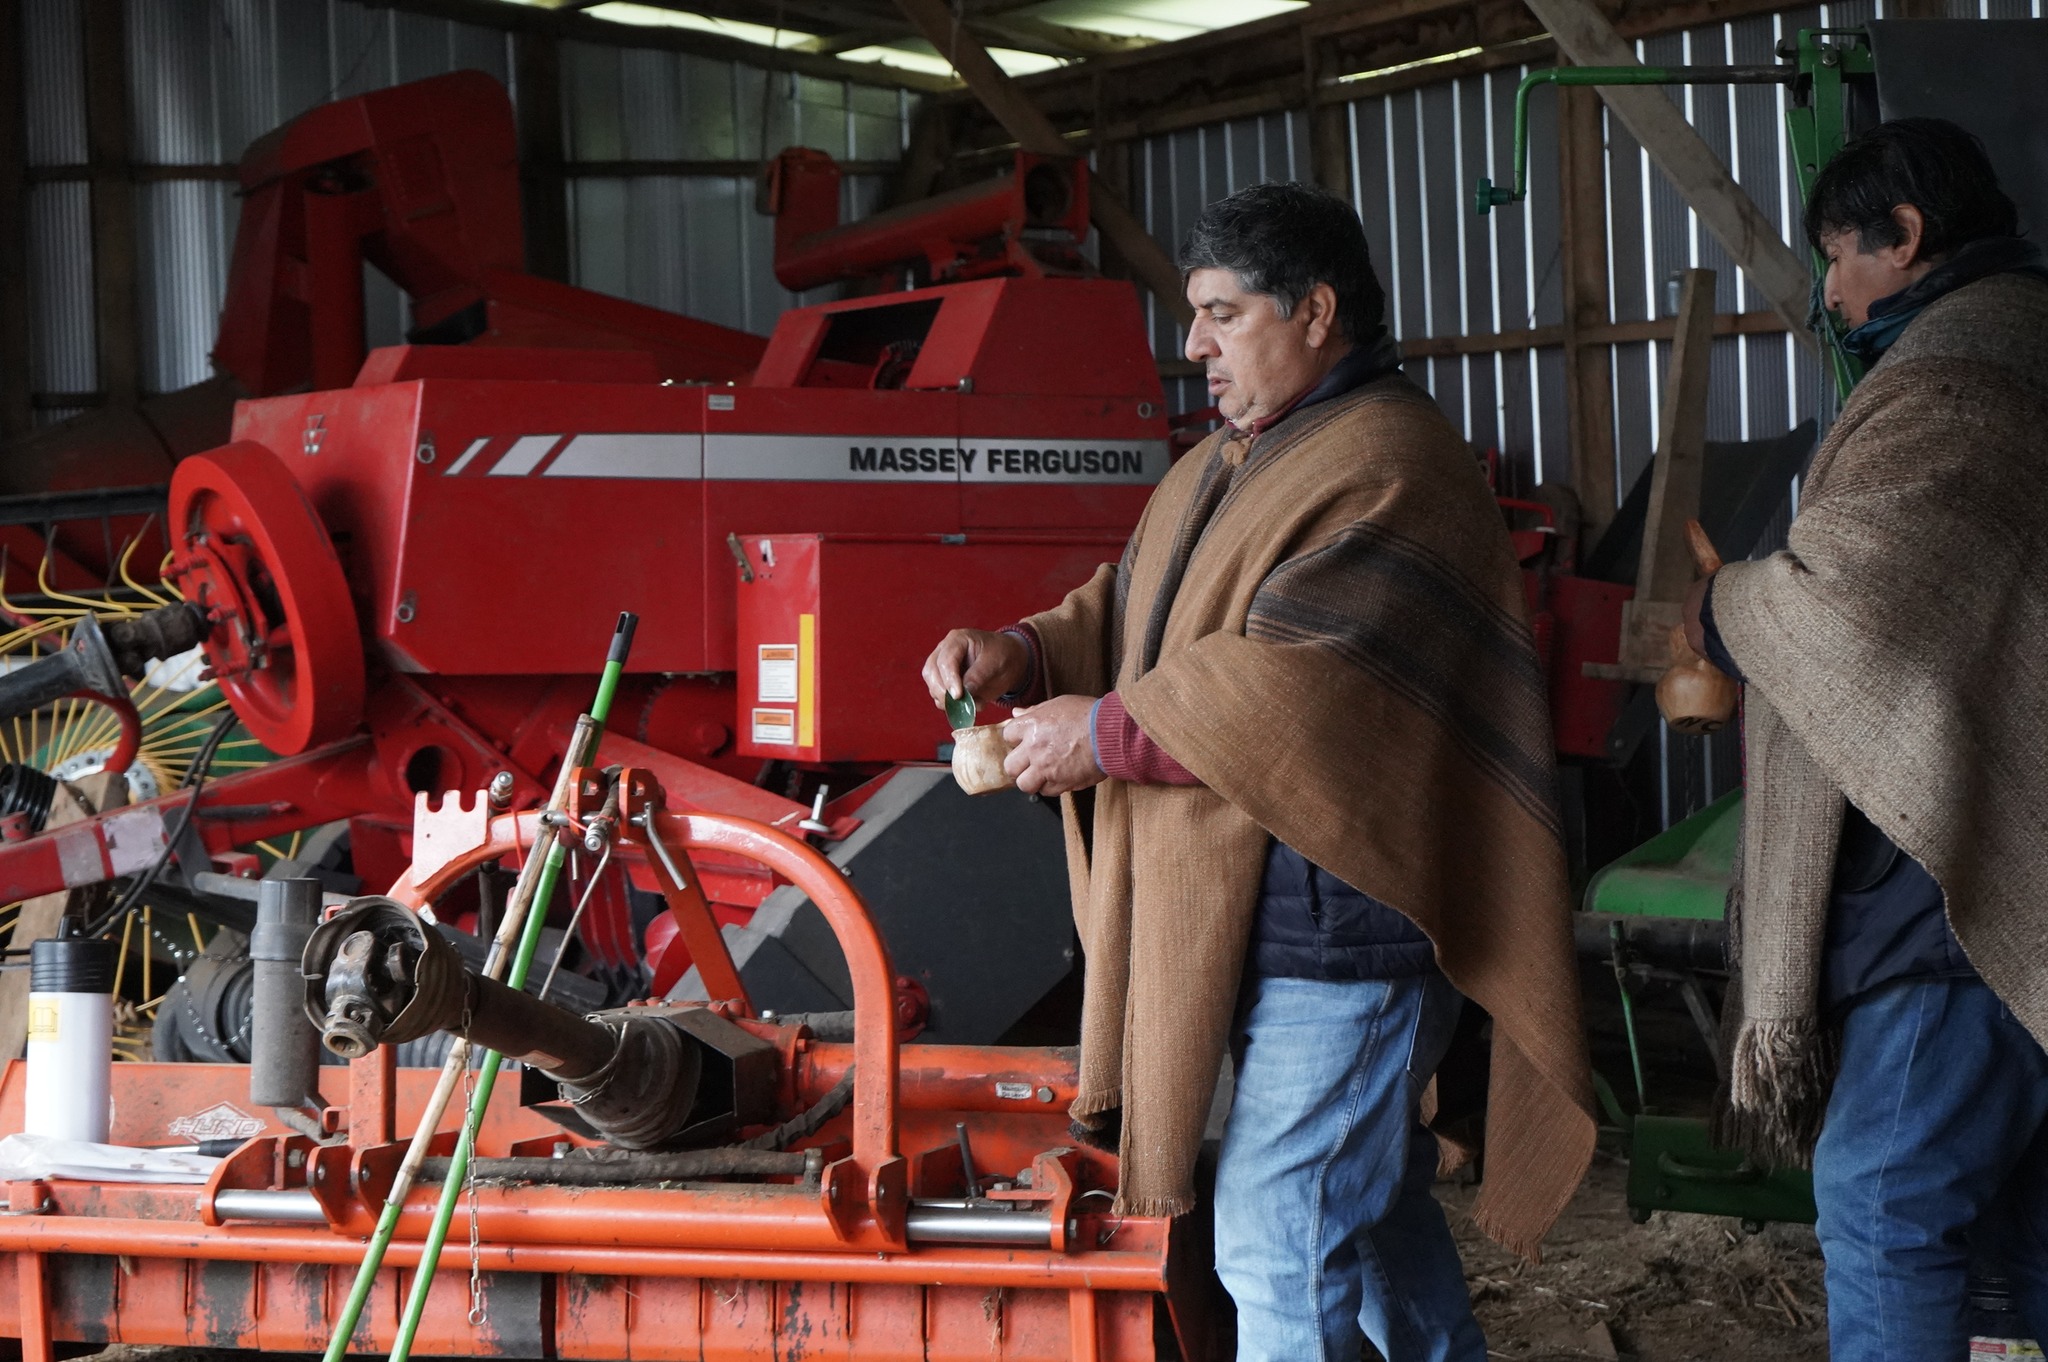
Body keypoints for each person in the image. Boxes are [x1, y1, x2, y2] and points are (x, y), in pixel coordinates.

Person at [921, 181, 1594, 1362]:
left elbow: (1299, 680)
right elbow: (1137, 605)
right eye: (1194, 314)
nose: (1192, 348)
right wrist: (1023, 651)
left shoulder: (1393, 463)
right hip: (1279, 931)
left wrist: (1104, 735)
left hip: (1354, 932)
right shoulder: (1232, 460)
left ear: (1315, 311)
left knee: (1273, 1236)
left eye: (1222, 315)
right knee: (1369, 1209)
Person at [1691, 117, 2048, 1361]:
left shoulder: (1962, 375)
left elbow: (1848, 601)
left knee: (1883, 1201)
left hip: (1956, 889)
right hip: (1995, 852)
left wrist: (1719, 605)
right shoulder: (2004, 344)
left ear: (1903, 238)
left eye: (1837, 259)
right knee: (2014, 1230)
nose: (1828, 294)